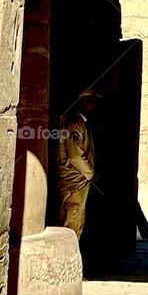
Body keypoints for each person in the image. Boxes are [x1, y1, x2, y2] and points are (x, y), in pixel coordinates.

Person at [56, 93, 97, 237]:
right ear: (84, 102)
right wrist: (90, 173)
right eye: (93, 101)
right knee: (71, 223)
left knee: (76, 222)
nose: (95, 106)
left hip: (77, 181)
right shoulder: (73, 125)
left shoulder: (79, 124)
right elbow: (75, 156)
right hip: (74, 182)